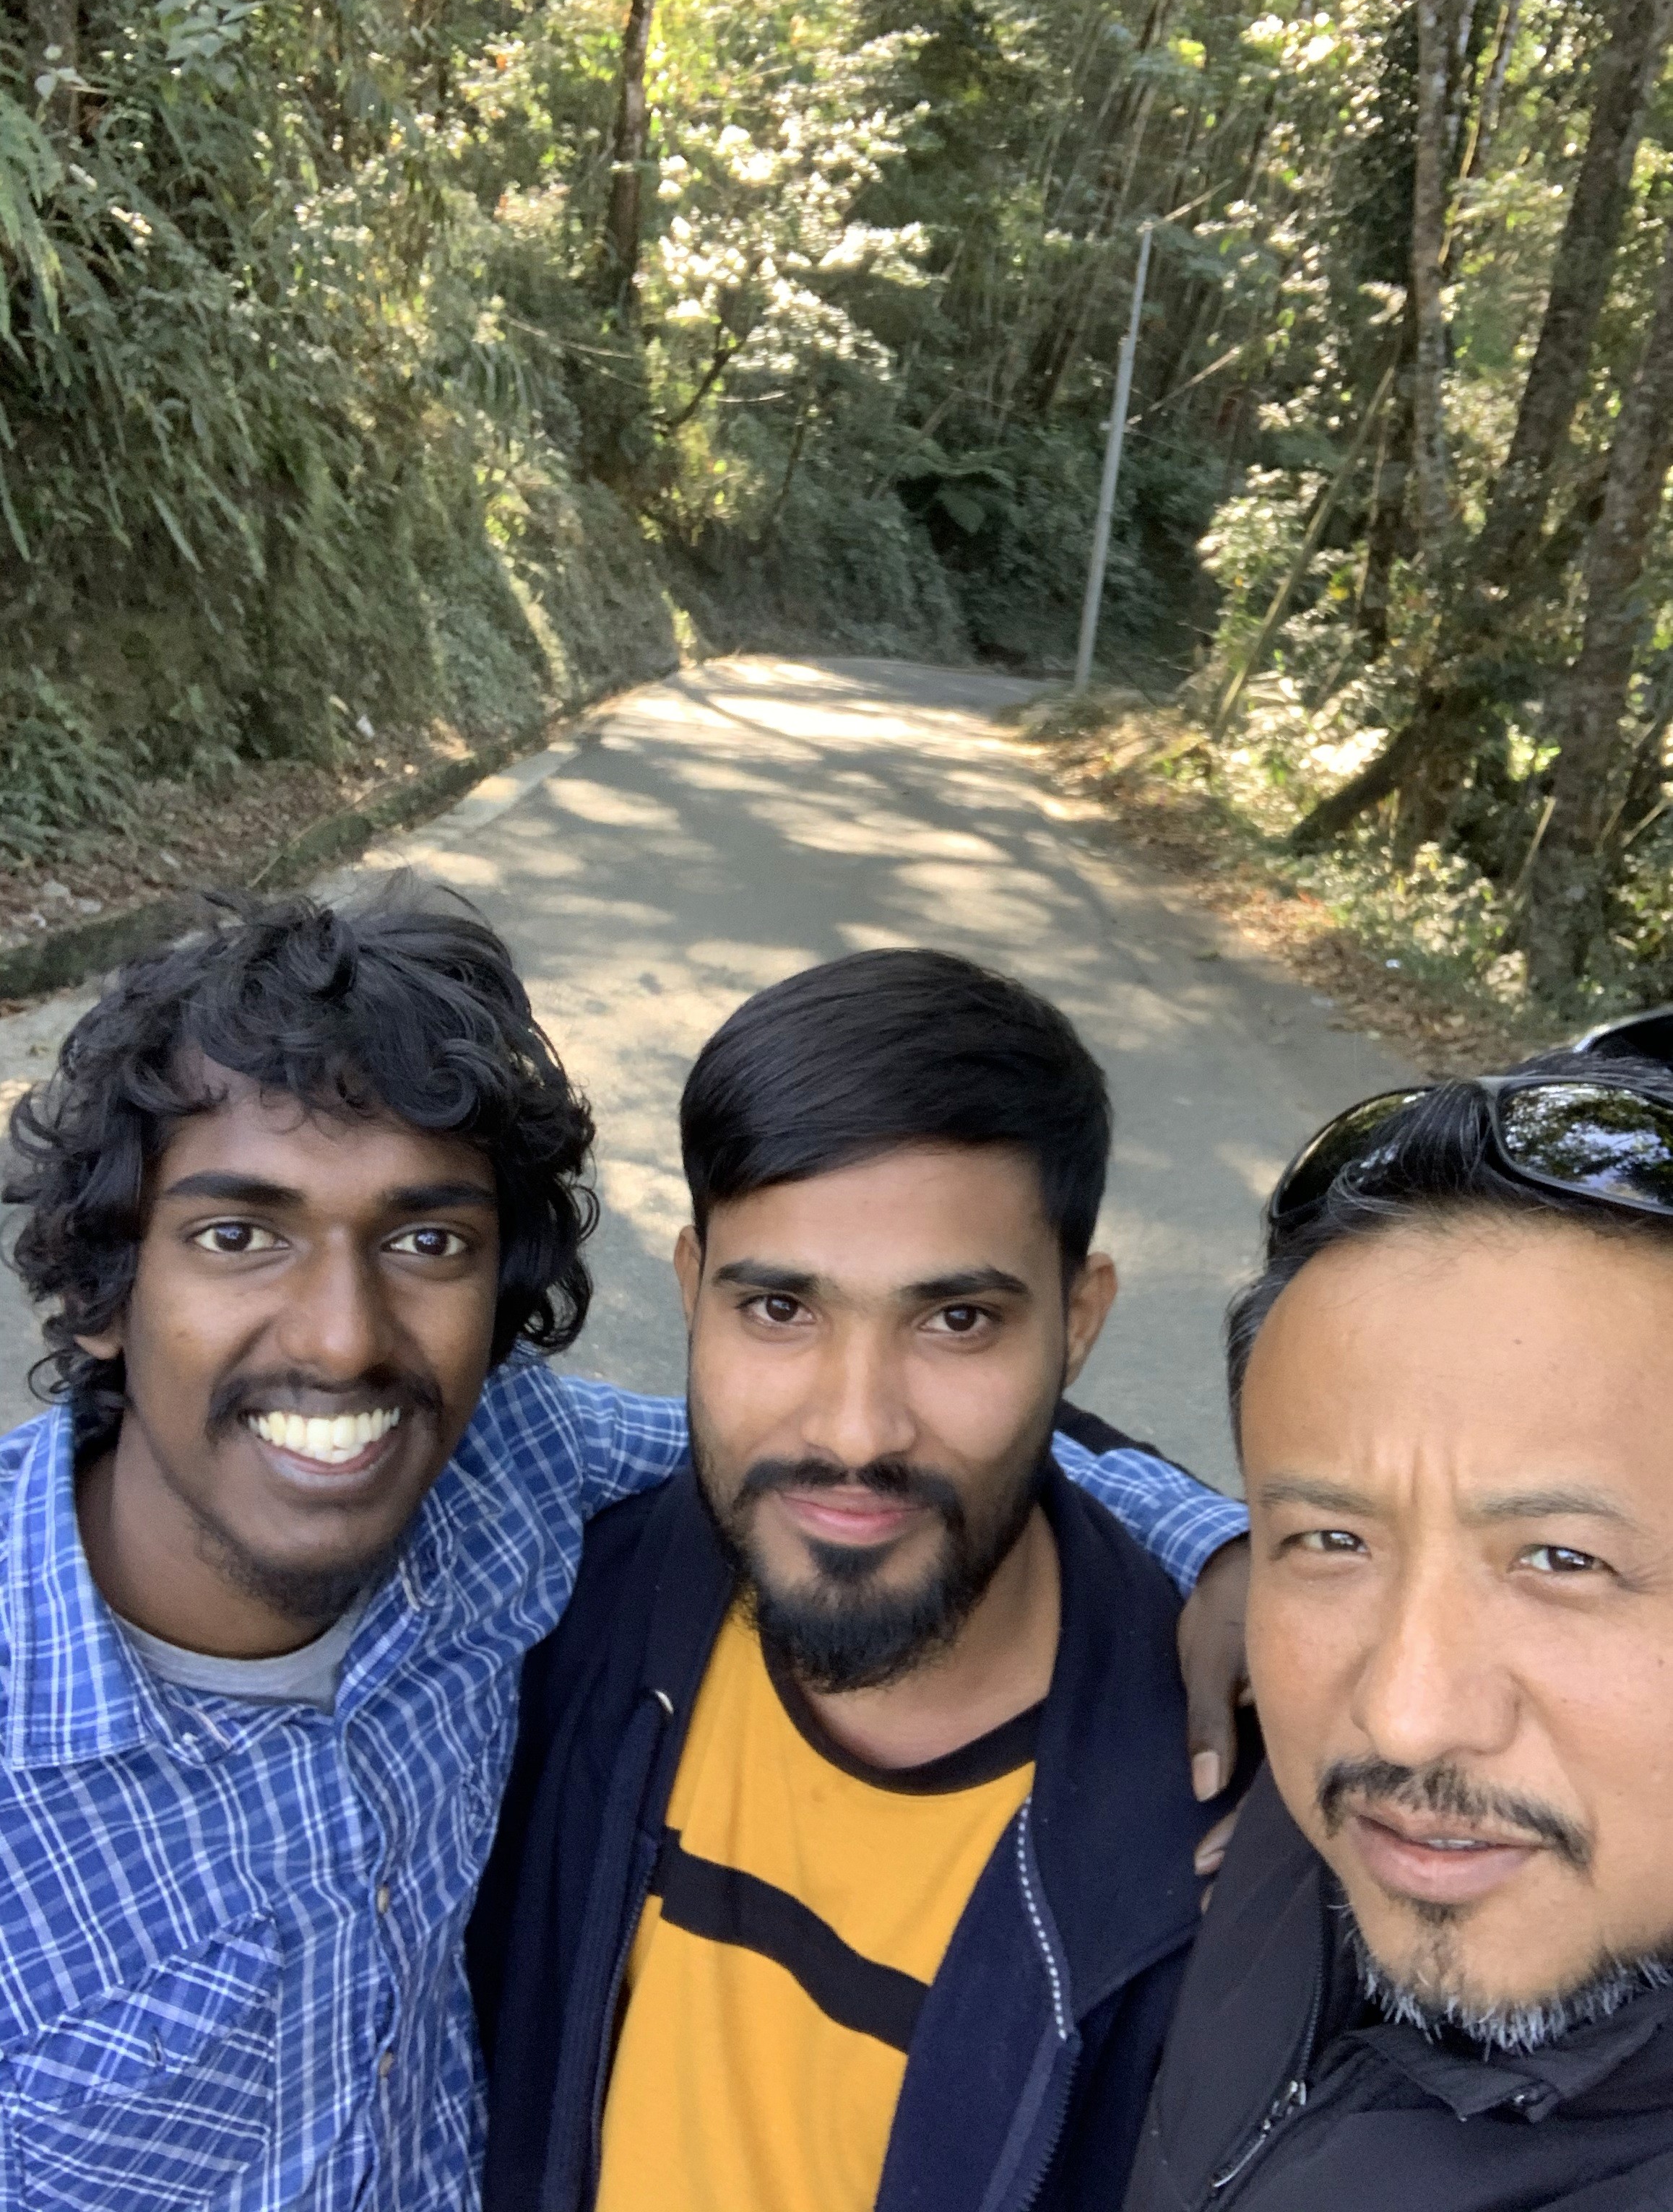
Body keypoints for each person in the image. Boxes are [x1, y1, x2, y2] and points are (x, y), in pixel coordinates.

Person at [0, 889, 1248, 2212]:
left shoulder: (503, 1471)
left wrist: (1238, 1556)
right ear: (100, 1286)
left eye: (427, 1242)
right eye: (238, 1236)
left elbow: (824, 1465)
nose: (342, 1339)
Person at [470, 949, 1248, 2212]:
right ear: (693, 1292)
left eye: (957, 1321)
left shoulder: (1219, 1836)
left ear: (1078, 1321)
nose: (855, 1429)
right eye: (780, 1309)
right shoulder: (561, 1611)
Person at [1124, 1049, 1673, 2211]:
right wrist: (1213, 1548)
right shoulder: (1332, 1787)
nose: (1403, 1717)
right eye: (1334, 1540)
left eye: (1563, 1560)